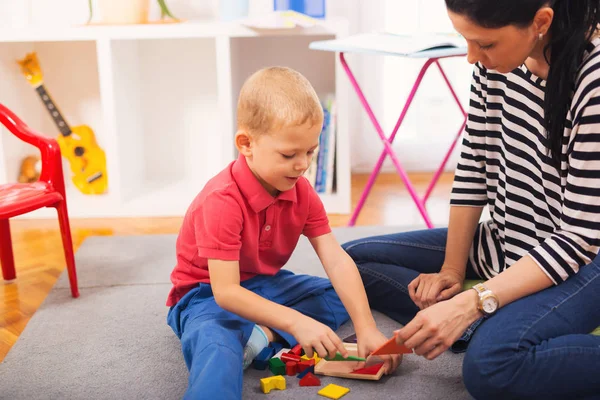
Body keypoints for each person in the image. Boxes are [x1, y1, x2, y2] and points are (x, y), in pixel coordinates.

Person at [342, 1, 600, 399]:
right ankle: (485, 321)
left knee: (491, 367)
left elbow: (579, 237)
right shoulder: (495, 64)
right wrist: (451, 269)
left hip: (582, 262)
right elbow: (475, 165)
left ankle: (482, 324)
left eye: (484, 43)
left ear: (541, 22)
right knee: (349, 263)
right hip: (508, 239)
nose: (471, 57)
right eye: (465, 40)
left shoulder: (593, 80)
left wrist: (471, 303)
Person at [166, 66, 400, 399]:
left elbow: (334, 258)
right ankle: (247, 340)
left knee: (344, 294)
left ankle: (261, 335)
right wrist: (294, 322)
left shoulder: (301, 192)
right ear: (246, 144)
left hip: (266, 285)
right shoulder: (221, 201)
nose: (303, 165)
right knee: (216, 345)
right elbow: (226, 292)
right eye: (289, 154)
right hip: (207, 294)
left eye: (310, 152)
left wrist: (367, 328)